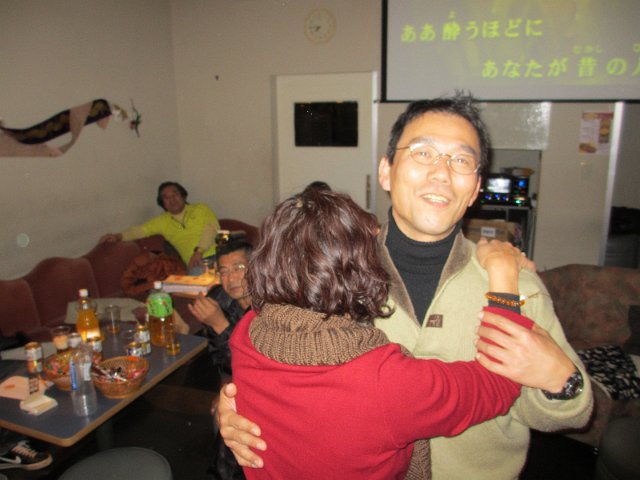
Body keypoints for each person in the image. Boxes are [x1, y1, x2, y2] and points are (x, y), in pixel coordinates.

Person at [217, 93, 594, 480]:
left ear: (476, 188)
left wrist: (561, 381)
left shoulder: (517, 284)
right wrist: (234, 406)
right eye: (423, 153)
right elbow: (270, 350)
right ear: (386, 171)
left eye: (461, 160)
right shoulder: (327, 273)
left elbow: (570, 412)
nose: (441, 173)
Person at [228, 187, 576, 479]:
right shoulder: (387, 383)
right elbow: (498, 382)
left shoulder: (247, 334)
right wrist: (503, 275)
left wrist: (225, 407)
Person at [100, 181, 220, 272]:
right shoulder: (162, 221)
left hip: (219, 255)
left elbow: (211, 229)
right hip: (196, 264)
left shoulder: (200, 208)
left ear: (183, 196)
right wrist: (118, 236)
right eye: (166, 197)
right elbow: (140, 230)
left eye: (175, 194)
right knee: (202, 289)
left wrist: (199, 252)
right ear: (162, 203)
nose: (172, 199)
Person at [186, 239, 253, 378]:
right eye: (224, 272)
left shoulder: (272, 306)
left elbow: (253, 366)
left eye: (238, 268)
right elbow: (223, 364)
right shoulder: (217, 300)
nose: (231, 278)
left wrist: (221, 325)